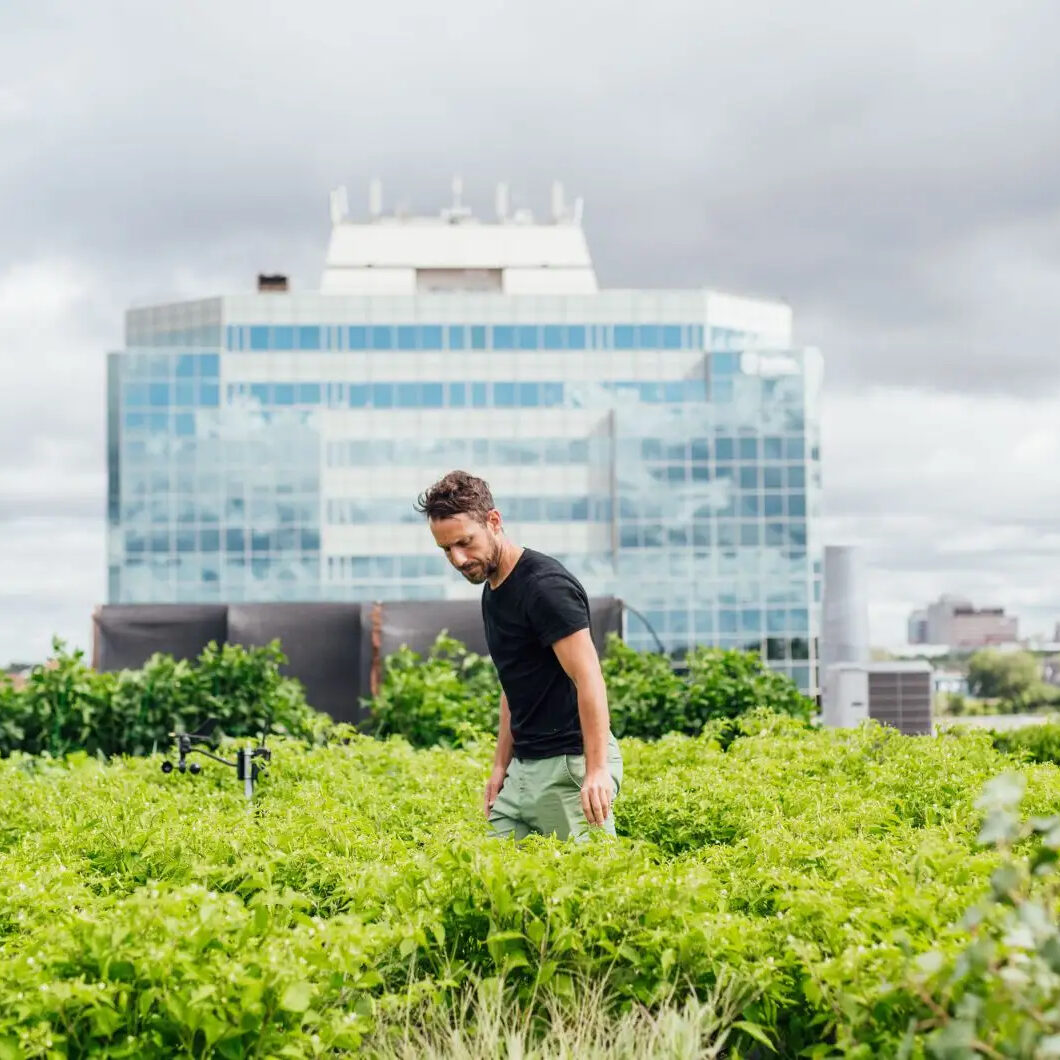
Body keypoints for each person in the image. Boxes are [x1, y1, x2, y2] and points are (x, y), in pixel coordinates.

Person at [414, 470, 623, 841]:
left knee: (592, 888)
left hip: (569, 764)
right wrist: (500, 766)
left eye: (465, 542)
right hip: (523, 770)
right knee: (491, 886)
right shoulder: (493, 589)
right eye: (446, 549)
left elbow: (588, 676)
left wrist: (595, 771)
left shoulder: (545, 587)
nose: (458, 559)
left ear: (494, 521)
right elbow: (514, 681)